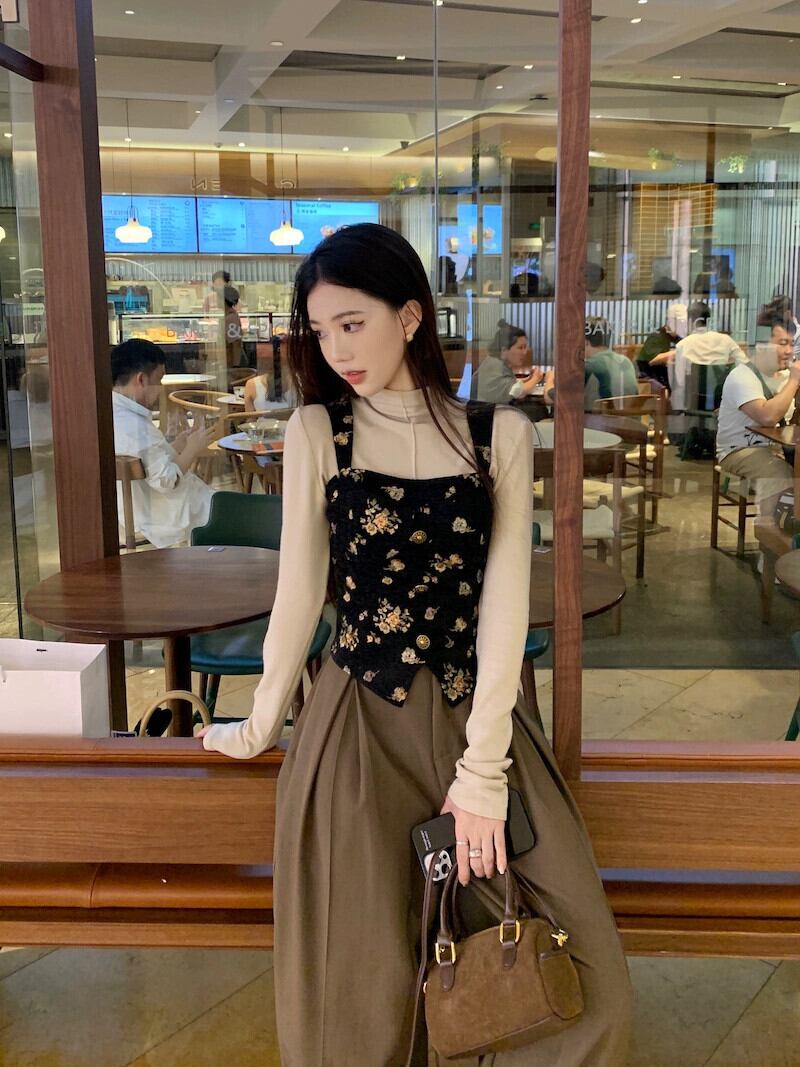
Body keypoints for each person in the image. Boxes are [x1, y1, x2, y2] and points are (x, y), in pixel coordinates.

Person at [200, 224, 631, 1066]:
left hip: (479, 721)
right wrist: (259, 721)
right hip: (355, 723)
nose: (335, 350)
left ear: (409, 315)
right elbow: (299, 594)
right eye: (320, 331)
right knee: (361, 992)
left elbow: (504, 606)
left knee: (587, 983)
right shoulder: (319, 430)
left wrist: (483, 772)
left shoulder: (497, 431)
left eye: (351, 323)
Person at [111, 339, 216, 547]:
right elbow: (167, 481)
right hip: (173, 517)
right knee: (249, 513)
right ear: (141, 379)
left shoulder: (114, 415)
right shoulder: (135, 427)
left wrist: (177, 445)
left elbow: (150, 462)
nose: (160, 388)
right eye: (158, 380)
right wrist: (192, 449)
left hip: (154, 512)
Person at [717, 318, 799, 522]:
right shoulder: (741, 376)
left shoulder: (786, 376)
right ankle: (771, 532)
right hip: (739, 450)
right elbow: (767, 417)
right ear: (761, 346)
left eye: (792, 344)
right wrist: (794, 381)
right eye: (782, 343)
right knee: (778, 473)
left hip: (779, 447)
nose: (789, 351)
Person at [670, 301, 747, 412]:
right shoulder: (726, 340)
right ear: (708, 319)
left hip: (694, 403)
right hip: (723, 402)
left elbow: (680, 381)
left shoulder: (683, 345)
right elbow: (745, 365)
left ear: (690, 320)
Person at [473, 318, 546, 413]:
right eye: (520, 348)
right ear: (504, 350)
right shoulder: (496, 366)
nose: (525, 352)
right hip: (491, 416)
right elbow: (517, 392)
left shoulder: (495, 362)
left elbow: (509, 385)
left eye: (525, 347)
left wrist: (529, 379)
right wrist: (535, 378)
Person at [583, 317, 637, 410]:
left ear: (586, 342)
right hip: (631, 418)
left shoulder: (589, 365)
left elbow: (562, 396)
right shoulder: (625, 361)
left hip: (601, 418)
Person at [636, 323, 680, 389]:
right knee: (659, 385)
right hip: (648, 363)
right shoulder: (657, 336)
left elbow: (680, 341)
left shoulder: (665, 333)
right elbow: (655, 358)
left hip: (653, 362)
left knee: (666, 383)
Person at [223, 285, 244, 368]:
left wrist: (235, 366)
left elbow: (236, 343)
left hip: (232, 363)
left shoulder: (231, 318)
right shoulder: (228, 316)